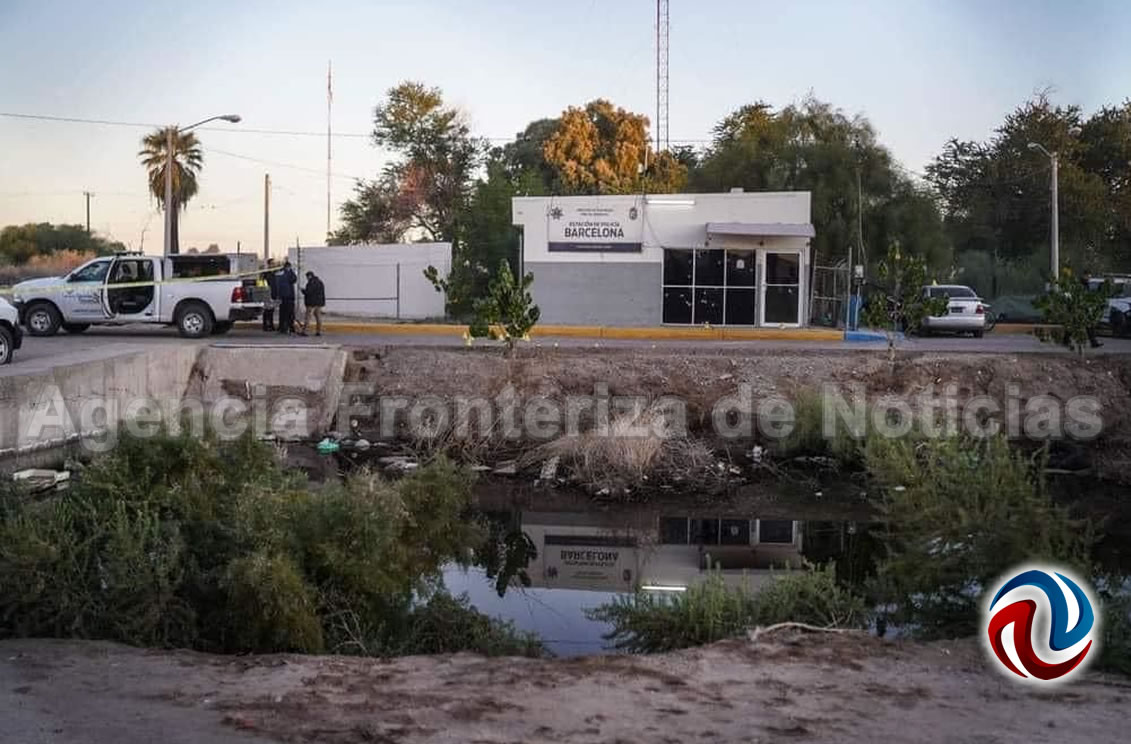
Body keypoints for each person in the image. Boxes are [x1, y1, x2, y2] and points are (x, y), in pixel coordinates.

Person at [1081, 270, 1103, 349]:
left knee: (1089, 325)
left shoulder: (1086, 284)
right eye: (1088, 276)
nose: (1089, 278)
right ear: (1084, 275)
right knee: (1075, 324)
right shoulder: (1081, 284)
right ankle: (1065, 340)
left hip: (1084, 308)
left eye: (1090, 277)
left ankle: (1093, 342)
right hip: (1079, 307)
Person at [299, 270, 326, 337]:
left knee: (308, 317)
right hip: (319, 303)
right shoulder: (320, 282)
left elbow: (308, 292)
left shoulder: (310, 283)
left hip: (311, 303)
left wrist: (303, 291)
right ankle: (318, 331)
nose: (307, 278)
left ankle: (305, 331)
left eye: (307, 277)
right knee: (318, 317)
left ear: (309, 276)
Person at [275, 259, 298, 334]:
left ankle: (282, 327)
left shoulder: (279, 273)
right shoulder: (288, 273)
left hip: (283, 296)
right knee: (290, 313)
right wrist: (291, 271)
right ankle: (290, 327)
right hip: (288, 296)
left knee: (283, 313)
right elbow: (293, 279)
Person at [260, 258, 278, 331]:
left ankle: (271, 325)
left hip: (273, 293)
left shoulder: (274, 273)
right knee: (266, 311)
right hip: (267, 294)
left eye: (274, 263)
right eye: (272, 263)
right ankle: (265, 325)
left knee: (271, 311)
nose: (273, 265)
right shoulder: (265, 273)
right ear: (269, 264)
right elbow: (262, 283)